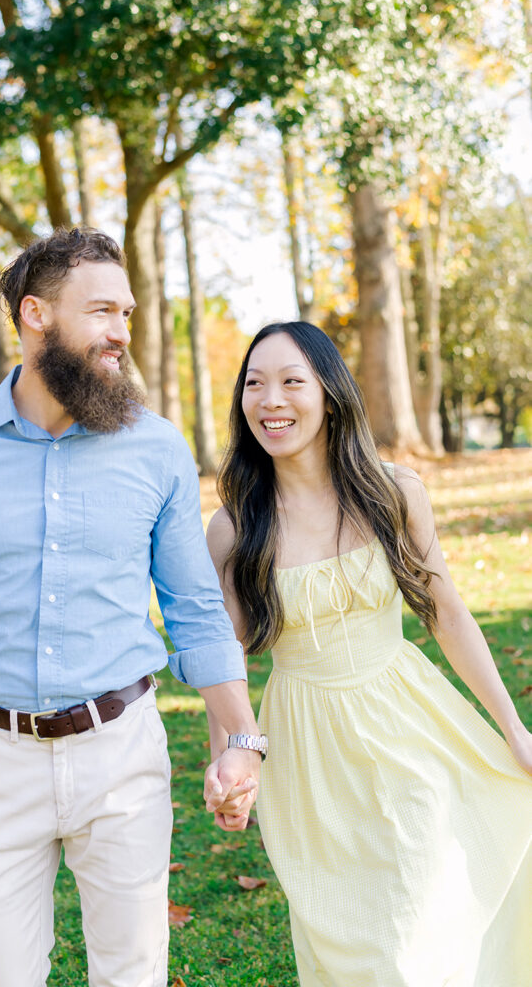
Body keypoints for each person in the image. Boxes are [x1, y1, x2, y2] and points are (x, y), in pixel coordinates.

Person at [0, 227, 265, 987]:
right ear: (35, 314)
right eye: (103, 311)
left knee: (132, 974)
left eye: (129, 313)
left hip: (122, 753)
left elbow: (195, 610)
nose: (122, 333)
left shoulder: (156, 450)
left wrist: (240, 739)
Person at [206, 320, 532, 987]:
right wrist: (230, 762)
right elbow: (223, 661)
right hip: (308, 750)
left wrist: (512, 728)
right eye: (254, 383)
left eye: (292, 381)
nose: (271, 399)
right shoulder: (236, 528)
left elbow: (445, 613)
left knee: (410, 930)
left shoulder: (393, 492)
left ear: (329, 393)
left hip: (407, 721)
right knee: (352, 942)